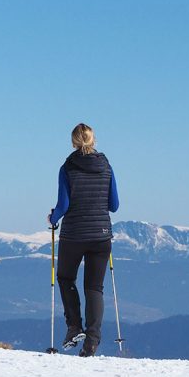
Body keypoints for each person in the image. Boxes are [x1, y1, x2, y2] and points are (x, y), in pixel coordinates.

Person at [46, 123, 120, 357]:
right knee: (94, 288)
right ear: (93, 139)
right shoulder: (106, 167)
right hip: (101, 235)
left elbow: (63, 205)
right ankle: (92, 340)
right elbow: (114, 205)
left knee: (66, 277)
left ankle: (74, 326)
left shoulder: (67, 168)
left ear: (73, 142)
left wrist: (52, 217)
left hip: (75, 234)